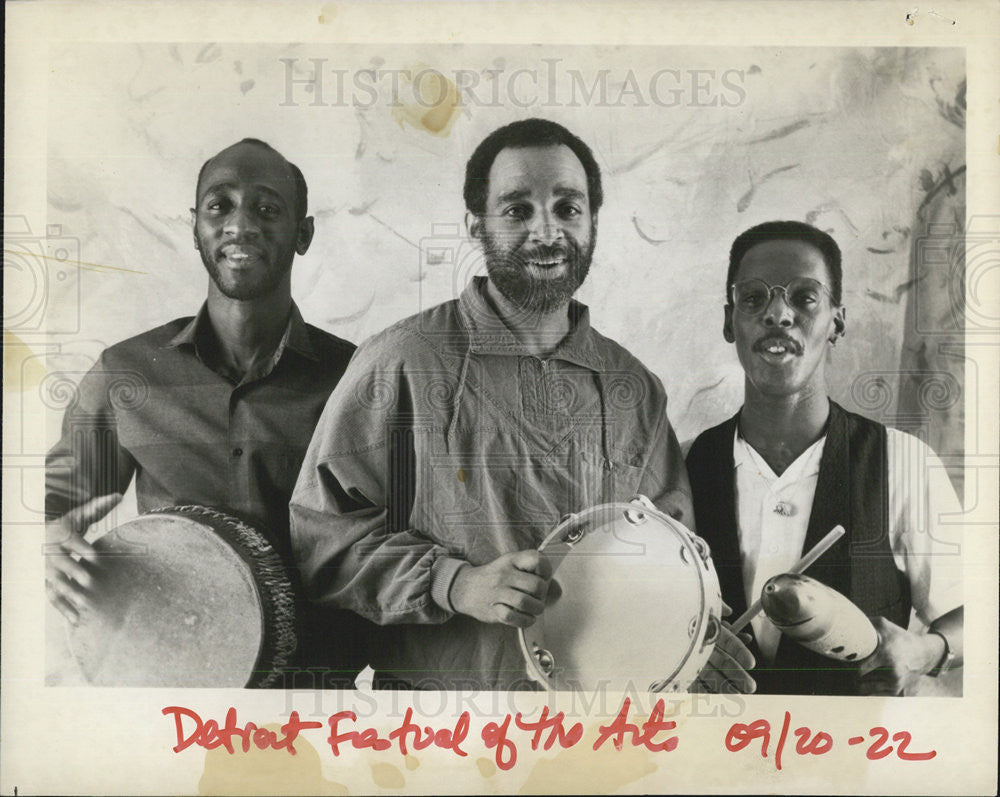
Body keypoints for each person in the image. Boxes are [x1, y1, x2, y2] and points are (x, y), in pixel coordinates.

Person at [290, 118, 755, 692]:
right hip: (444, 739)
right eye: (517, 210)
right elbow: (323, 539)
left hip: (596, 739)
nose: (547, 232)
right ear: (475, 226)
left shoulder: (633, 389)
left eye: (567, 208)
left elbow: (669, 557)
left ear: (591, 223)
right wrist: (453, 583)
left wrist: (686, 638)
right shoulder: (402, 364)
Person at [45, 138, 366, 687]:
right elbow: (54, 505)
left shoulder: (355, 380)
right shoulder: (128, 373)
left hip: (312, 696)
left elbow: (393, 534)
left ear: (303, 234)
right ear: (195, 228)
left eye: (267, 208)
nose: (240, 224)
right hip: (169, 693)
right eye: (220, 206)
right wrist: (49, 541)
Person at [685, 220, 963, 696]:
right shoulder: (683, 466)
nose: (778, 314)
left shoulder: (903, 463)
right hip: (712, 757)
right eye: (753, 298)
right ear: (729, 321)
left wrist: (924, 652)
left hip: (849, 759)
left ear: (838, 320)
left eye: (804, 297)